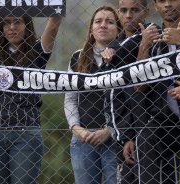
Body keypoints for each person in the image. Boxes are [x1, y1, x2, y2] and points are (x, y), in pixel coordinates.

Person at [0, 15, 62, 184]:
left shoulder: (37, 51)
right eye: (6, 23)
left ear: (27, 25)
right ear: (1, 28)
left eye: (18, 22)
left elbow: (53, 23)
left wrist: (57, 8)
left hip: (26, 131)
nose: (12, 27)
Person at [124, 0, 180, 183]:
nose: (167, 4)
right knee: (146, 137)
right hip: (164, 121)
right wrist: (144, 46)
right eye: (161, 1)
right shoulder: (152, 36)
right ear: (155, 5)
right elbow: (139, 86)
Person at [101, 0, 180, 183]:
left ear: (145, 11)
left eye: (134, 10)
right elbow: (117, 96)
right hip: (128, 130)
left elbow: (141, 88)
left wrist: (143, 44)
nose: (128, 15)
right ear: (119, 13)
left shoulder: (155, 37)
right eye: (124, 11)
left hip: (157, 128)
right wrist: (126, 135)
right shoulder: (116, 46)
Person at [64, 6, 122, 184]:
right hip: (83, 139)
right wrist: (77, 129)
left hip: (115, 139)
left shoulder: (125, 56)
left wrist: (110, 130)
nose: (103, 25)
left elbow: (130, 101)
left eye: (109, 22)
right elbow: (70, 98)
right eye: (98, 21)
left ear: (118, 29)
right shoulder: (77, 58)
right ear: (91, 29)